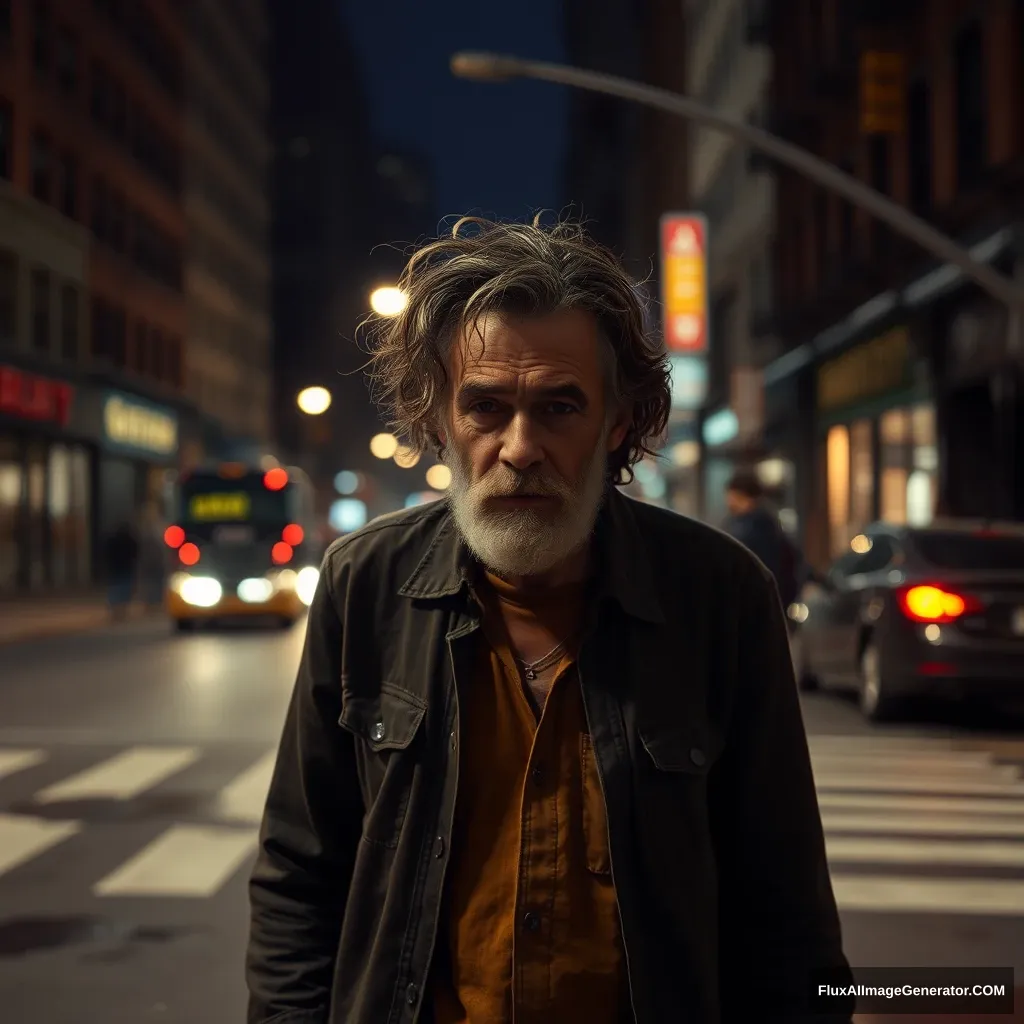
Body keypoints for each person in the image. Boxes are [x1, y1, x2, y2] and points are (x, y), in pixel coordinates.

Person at [246, 217, 854, 1023]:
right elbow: (300, 874)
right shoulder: (365, 584)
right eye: (486, 407)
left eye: (560, 407)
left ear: (618, 424)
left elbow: (784, 909)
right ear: (438, 421)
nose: (521, 446)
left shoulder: (720, 596)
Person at [722, 469, 803, 610]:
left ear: (742, 496)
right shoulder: (738, 522)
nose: (728, 500)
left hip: (756, 599)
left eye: (732, 495)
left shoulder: (757, 526)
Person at [104, 521, 139, 619]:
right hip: (125, 567)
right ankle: (121, 609)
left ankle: (116, 609)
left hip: (117, 567)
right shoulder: (129, 539)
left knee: (116, 588)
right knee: (123, 588)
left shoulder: (113, 539)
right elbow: (134, 552)